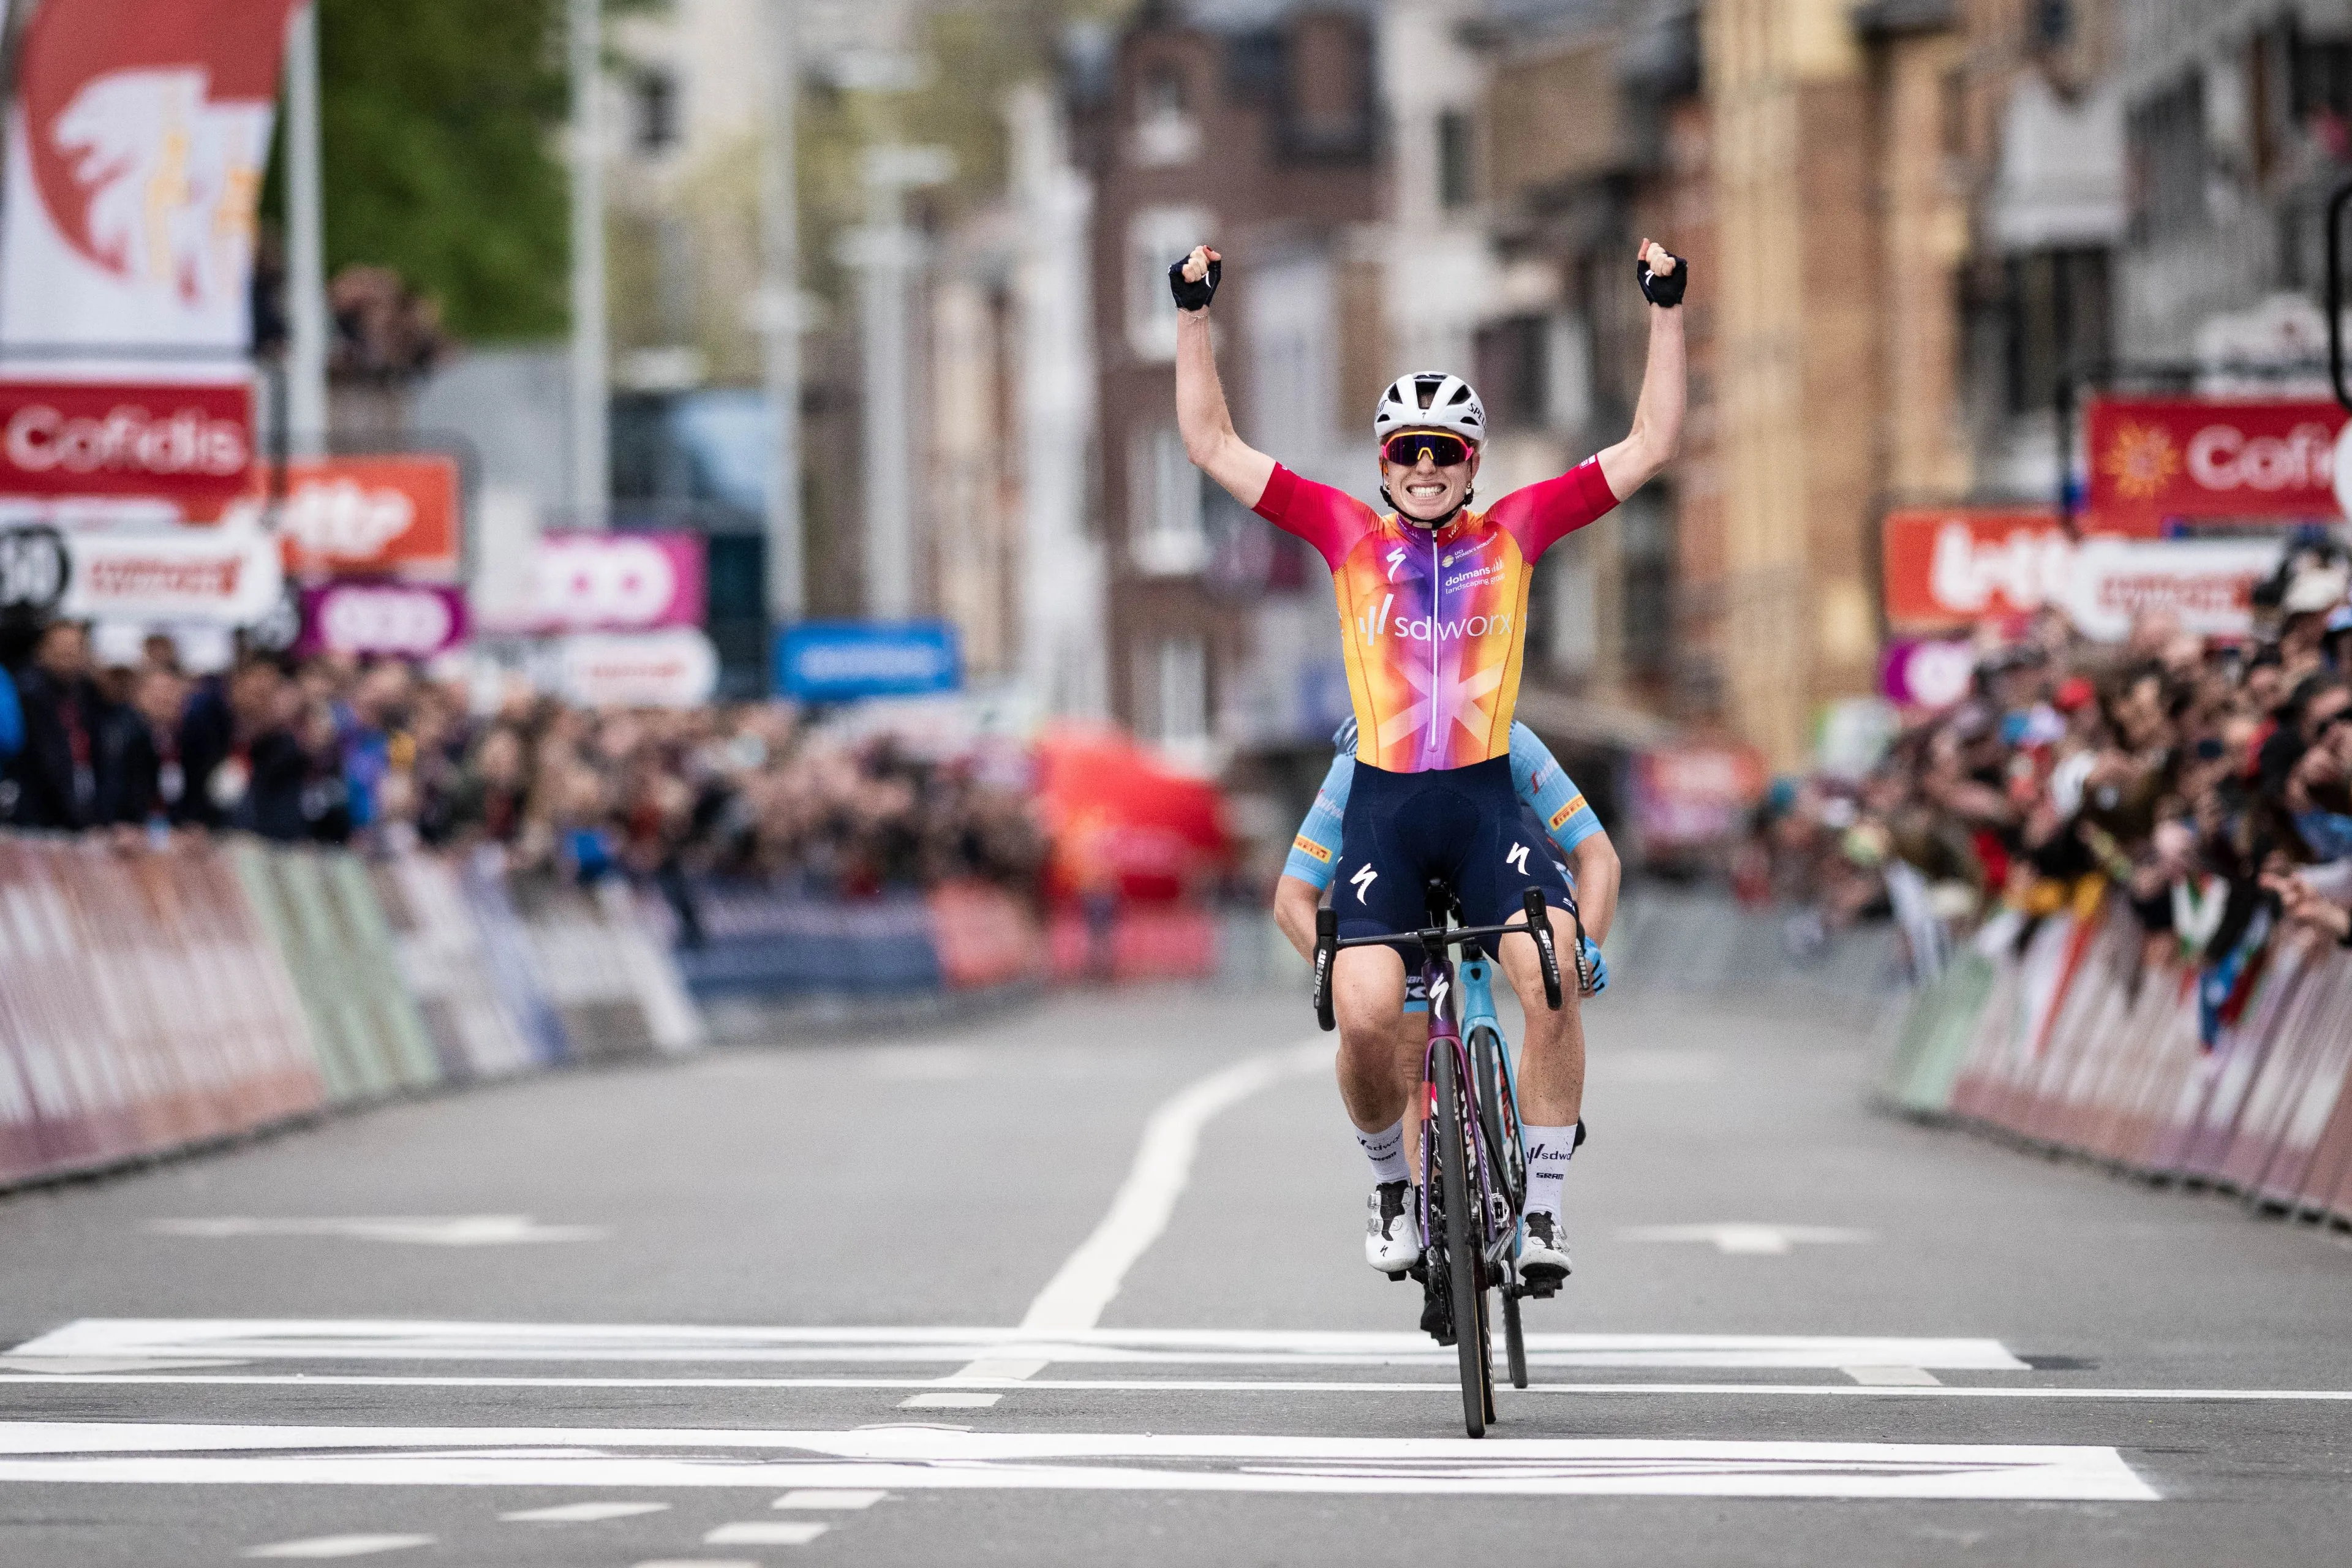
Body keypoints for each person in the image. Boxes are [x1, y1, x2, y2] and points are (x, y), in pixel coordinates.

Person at [1171, 235, 1685, 1288]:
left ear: (1473, 464)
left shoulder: (1519, 529)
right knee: (1365, 1016)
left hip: (1487, 805)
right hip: (1386, 816)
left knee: (1548, 974)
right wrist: (1191, 314)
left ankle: (1542, 1213)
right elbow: (1213, 442)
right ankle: (1391, 1188)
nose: (1423, 467)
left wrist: (1665, 307)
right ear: (1381, 462)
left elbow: (1649, 443)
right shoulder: (1346, 532)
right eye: (1406, 449)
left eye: (1443, 451)